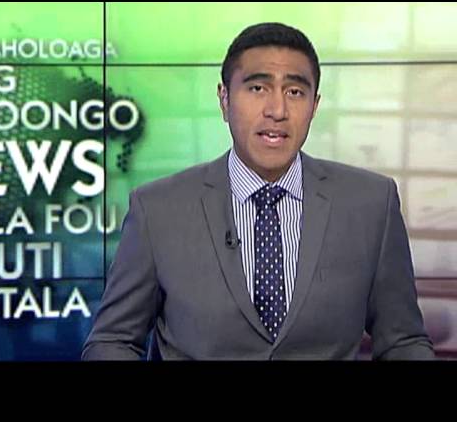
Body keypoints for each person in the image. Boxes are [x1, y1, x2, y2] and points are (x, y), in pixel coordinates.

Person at [82, 22, 435, 360]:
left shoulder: (371, 204)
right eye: (257, 89)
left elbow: (403, 341)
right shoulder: (158, 209)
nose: (277, 111)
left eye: (295, 92)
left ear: (314, 106)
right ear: (224, 100)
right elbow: (113, 341)